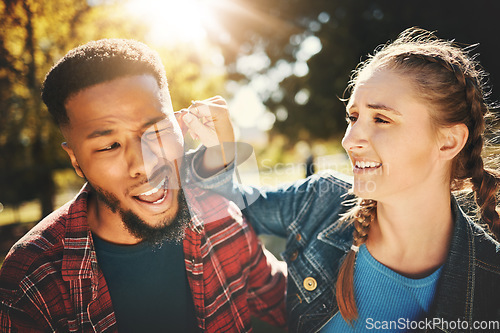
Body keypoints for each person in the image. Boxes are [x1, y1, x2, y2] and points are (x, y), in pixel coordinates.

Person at [192, 28, 500, 332]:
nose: (349, 140)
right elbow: (228, 205)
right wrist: (218, 152)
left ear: (448, 142)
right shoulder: (319, 201)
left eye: (381, 119)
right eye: (353, 118)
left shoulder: (491, 281)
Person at [0, 39, 286, 332]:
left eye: (158, 131)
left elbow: (292, 305)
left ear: (180, 126)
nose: (145, 164)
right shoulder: (32, 280)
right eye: (110, 145)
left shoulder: (220, 215)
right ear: (76, 160)